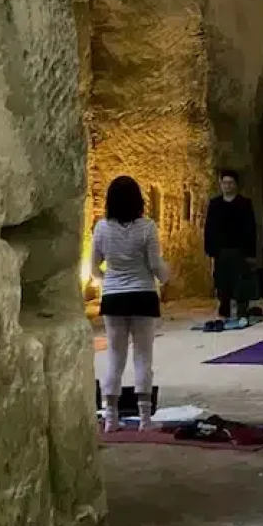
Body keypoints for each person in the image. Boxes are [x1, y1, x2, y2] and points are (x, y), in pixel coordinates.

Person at [91, 175, 169, 433]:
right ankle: (145, 419)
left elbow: (94, 268)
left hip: (114, 298)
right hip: (143, 295)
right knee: (143, 356)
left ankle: (110, 418)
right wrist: (165, 277)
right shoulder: (147, 227)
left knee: (115, 357)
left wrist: (110, 281)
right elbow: (155, 264)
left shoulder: (101, 228)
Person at [204, 169, 258, 325]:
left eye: (230, 183)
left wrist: (250, 252)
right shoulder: (215, 204)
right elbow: (209, 228)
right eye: (225, 183)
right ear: (220, 184)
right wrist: (210, 250)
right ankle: (224, 310)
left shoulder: (244, 203)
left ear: (236, 184)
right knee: (222, 282)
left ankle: (242, 310)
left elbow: (250, 228)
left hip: (239, 249)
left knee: (241, 281)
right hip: (221, 250)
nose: (227, 186)